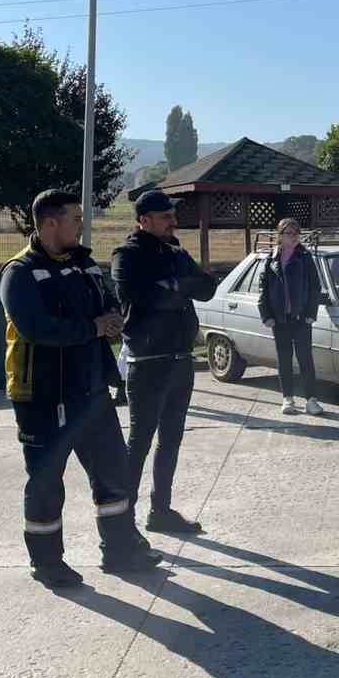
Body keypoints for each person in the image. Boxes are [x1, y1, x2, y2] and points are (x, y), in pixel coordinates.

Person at [0, 189, 160, 587]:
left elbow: (108, 301)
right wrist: (93, 327)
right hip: (43, 396)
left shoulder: (84, 265)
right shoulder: (19, 273)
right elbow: (36, 328)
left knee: (114, 473)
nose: (81, 225)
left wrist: (112, 319)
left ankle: (120, 551)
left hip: (90, 391)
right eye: (74, 218)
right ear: (50, 223)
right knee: (45, 483)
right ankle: (48, 564)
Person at [111, 190, 217, 533]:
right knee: (139, 442)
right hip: (148, 362)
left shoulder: (175, 250)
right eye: (165, 216)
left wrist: (173, 285)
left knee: (171, 439)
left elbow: (207, 287)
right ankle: (122, 518)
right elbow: (143, 297)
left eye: (172, 214)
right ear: (144, 220)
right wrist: (178, 288)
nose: (173, 220)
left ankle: (161, 512)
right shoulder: (126, 255)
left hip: (181, 360)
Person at [258, 219, 323, 416]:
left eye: (296, 233)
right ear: (280, 236)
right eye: (289, 233)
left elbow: (315, 287)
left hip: (302, 319)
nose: (294, 236)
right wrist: (266, 315)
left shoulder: (305, 256)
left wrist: (311, 314)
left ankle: (311, 400)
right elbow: (263, 290)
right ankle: (287, 399)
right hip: (280, 320)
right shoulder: (271, 259)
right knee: (284, 360)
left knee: (305, 360)